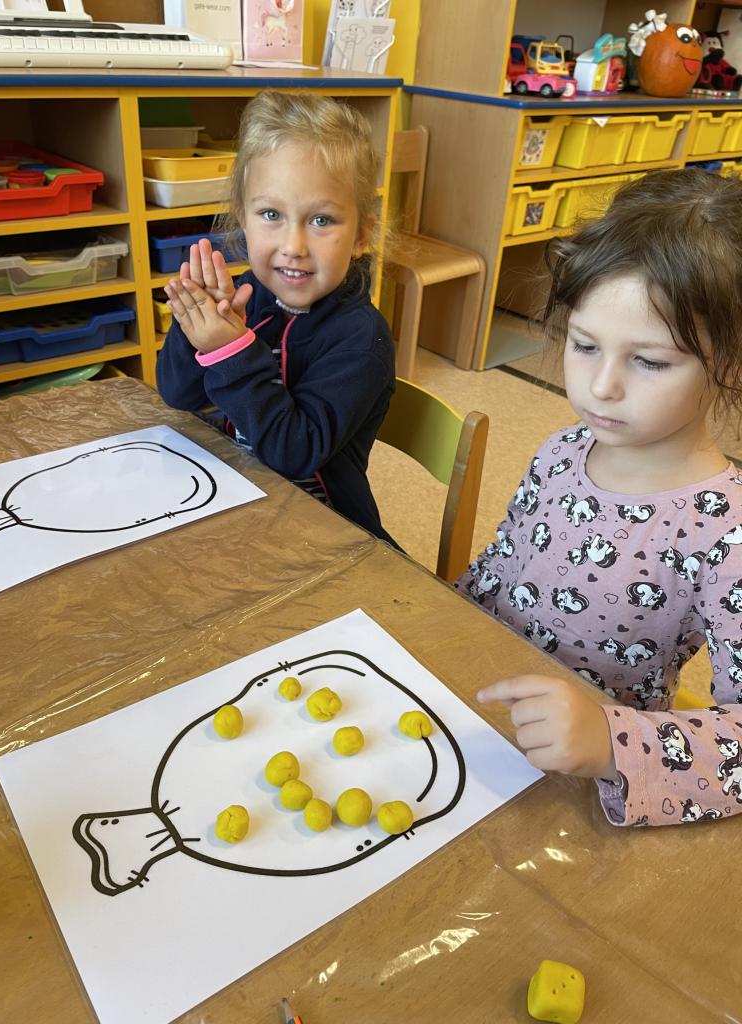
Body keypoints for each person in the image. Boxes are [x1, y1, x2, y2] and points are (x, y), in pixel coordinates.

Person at [455, 168, 742, 827]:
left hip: (586, 782)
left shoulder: (726, 531)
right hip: (477, 713)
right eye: (585, 346)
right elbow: (499, 568)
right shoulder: (562, 448)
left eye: (649, 361)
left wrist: (611, 743)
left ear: (728, 361)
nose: (601, 387)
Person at [157, 90, 396, 543]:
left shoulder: (361, 339)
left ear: (362, 235)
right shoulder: (251, 292)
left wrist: (230, 351)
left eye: (321, 220)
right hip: (239, 502)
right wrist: (196, 332)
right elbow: (178, 394)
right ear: (243, 219)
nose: (293, 246)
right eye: (271, 214)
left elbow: (294, 451)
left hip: (324, 533)